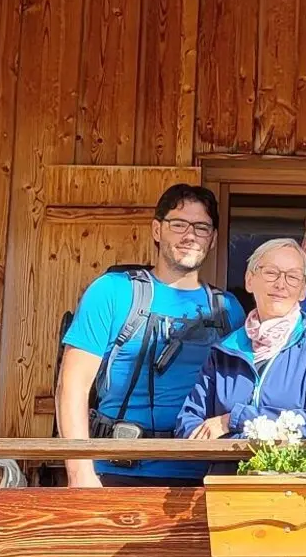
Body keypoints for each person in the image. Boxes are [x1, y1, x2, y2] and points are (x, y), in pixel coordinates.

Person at [56, 184, 244, 490]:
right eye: (179, 224)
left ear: (213, 241)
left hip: (204, 477)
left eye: (201, 227)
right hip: (116, 469)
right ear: (157, 230)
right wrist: (79, 472)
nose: (190, 235)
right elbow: (72, 386)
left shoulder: (228, 310)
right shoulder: (113, 292)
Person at [178, 238, 306, 447]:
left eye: (292, 277)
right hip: (226, 475)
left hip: (292, 476)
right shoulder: (226, 349)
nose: (280, 284)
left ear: (303, 289)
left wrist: (232, 420)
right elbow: (189, 421)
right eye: (271, 273)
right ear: (249, 280)